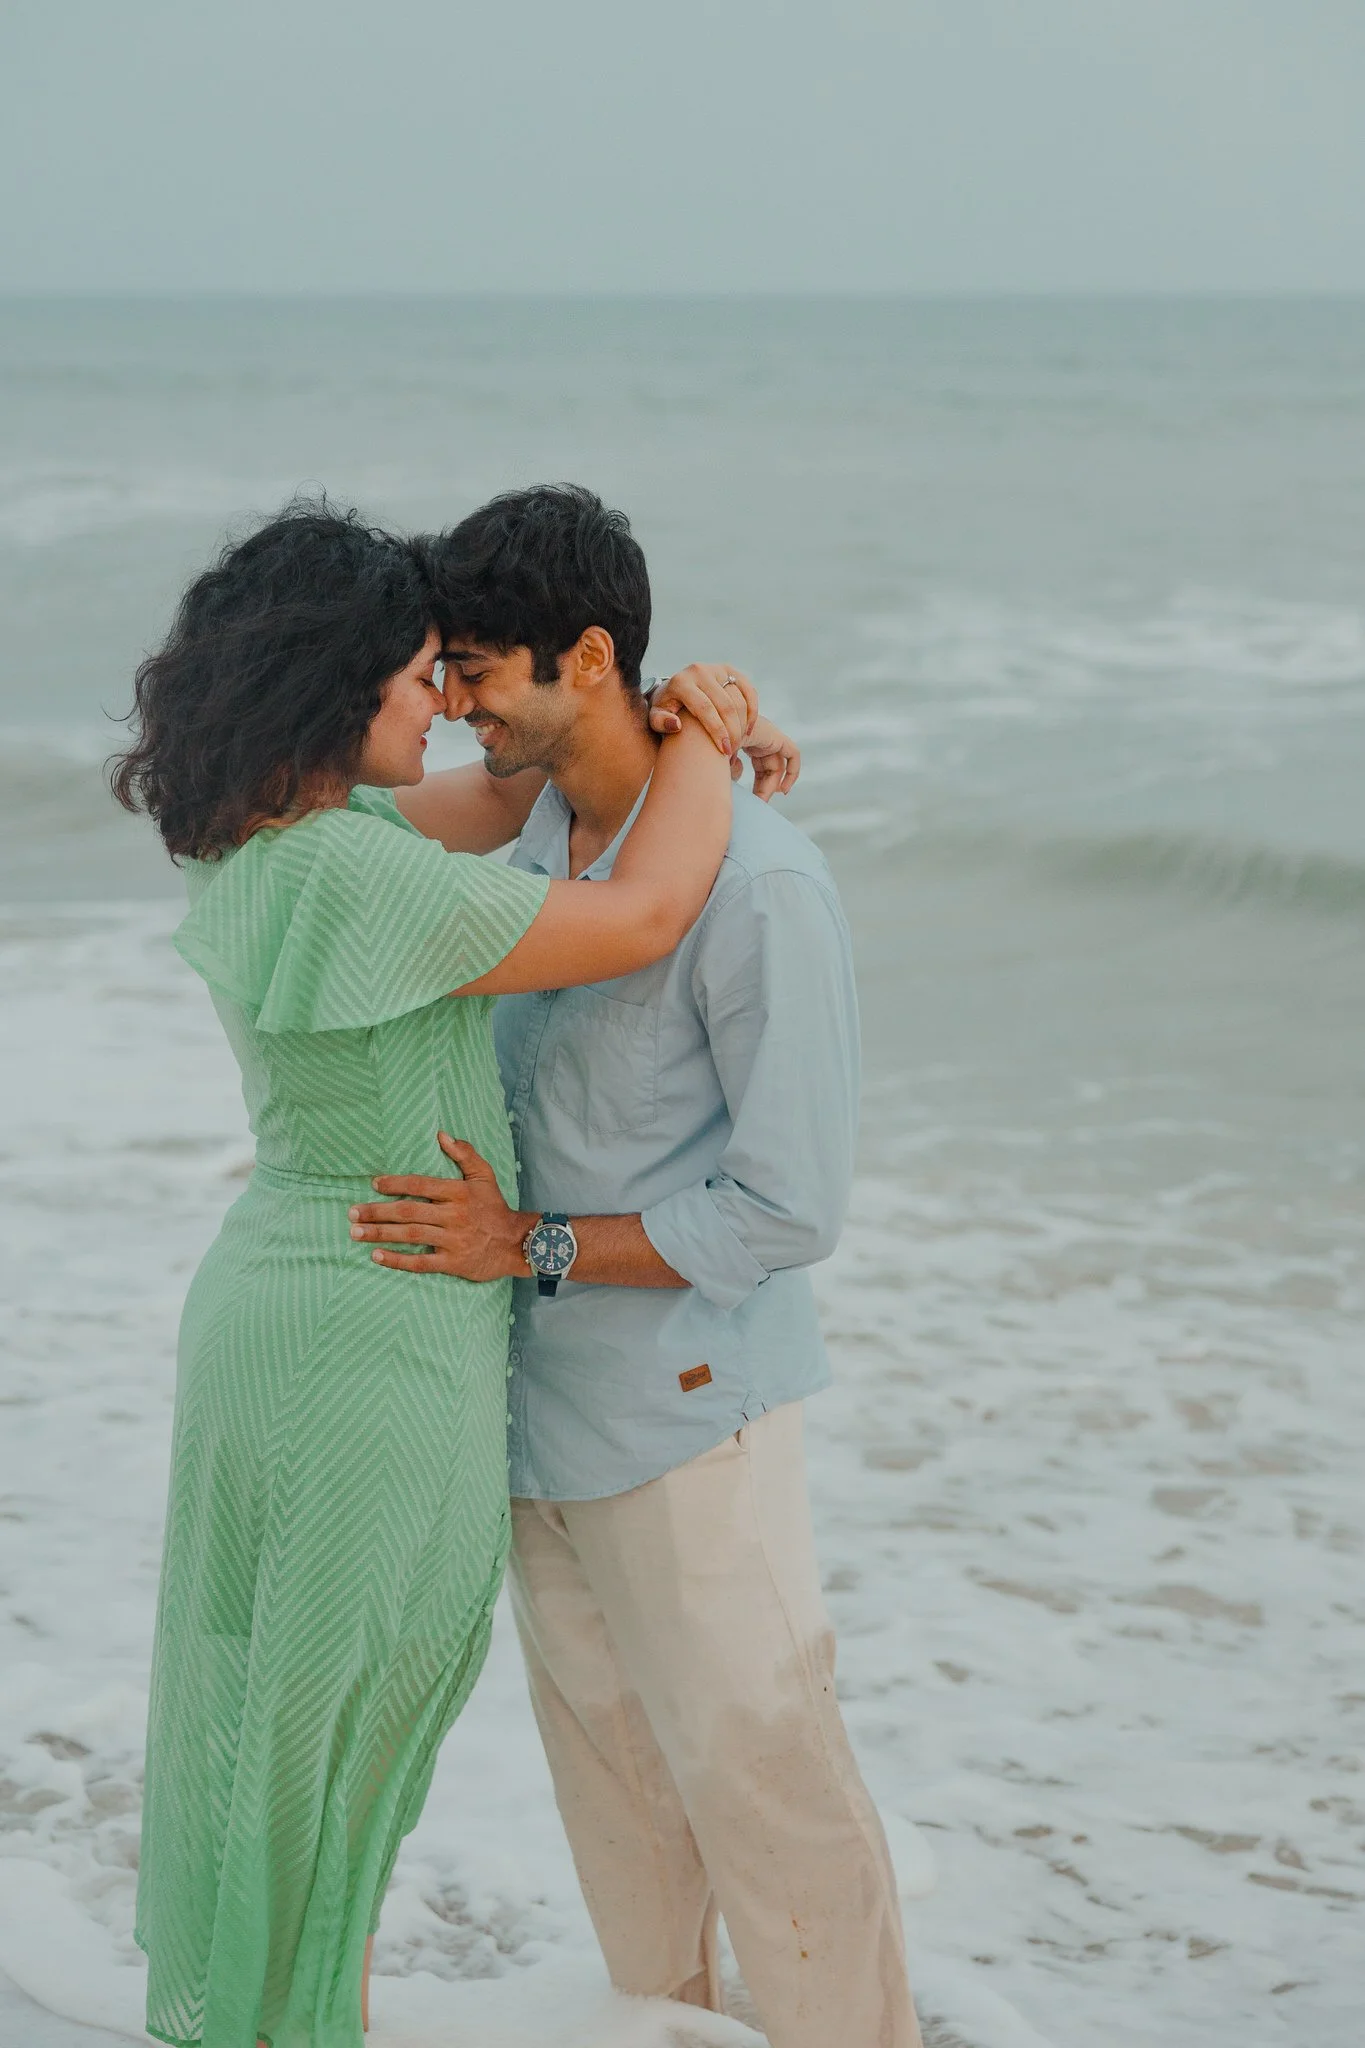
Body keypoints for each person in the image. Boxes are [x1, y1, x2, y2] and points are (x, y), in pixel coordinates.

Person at [110, 501, 752, 2048]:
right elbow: (646, 913)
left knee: (278, 1711)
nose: (446, 703)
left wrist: (670, 717)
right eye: (416, 679)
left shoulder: (278, 844)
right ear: (339, 699)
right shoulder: (363, 875)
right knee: (341, 1723)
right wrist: (716, 745)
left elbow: (503, 791)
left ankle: (280, 2013)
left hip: (280, 1302)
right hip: (368, 1334)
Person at [347, 485, 924, 2048]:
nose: (454, 703)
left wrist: (522, 1244)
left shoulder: (763, 887)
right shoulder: (530, 833)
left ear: (587, 656)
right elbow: (306, 823)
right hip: (538, 1426)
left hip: (688, 1427)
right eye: (443, 671)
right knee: (625, 1839)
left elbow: (787, 1209)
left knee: (775, 1813)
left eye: (475, 669)